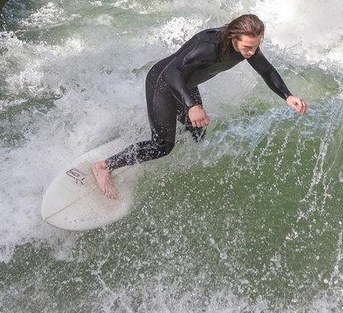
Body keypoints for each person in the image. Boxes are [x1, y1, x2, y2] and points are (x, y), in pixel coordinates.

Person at [92, 14, 308, 199]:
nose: (252, 52)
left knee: (198, 132)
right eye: (248, 47)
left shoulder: (247, 48)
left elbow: (267, 71)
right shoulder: (208, 47)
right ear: (234, 37)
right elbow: (171, 72)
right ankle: (104, 166)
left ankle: (156, 137)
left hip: (186, 84)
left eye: (256, 46)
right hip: (164, 82)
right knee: (162, 146)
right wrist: (191, 105)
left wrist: (287, 96)